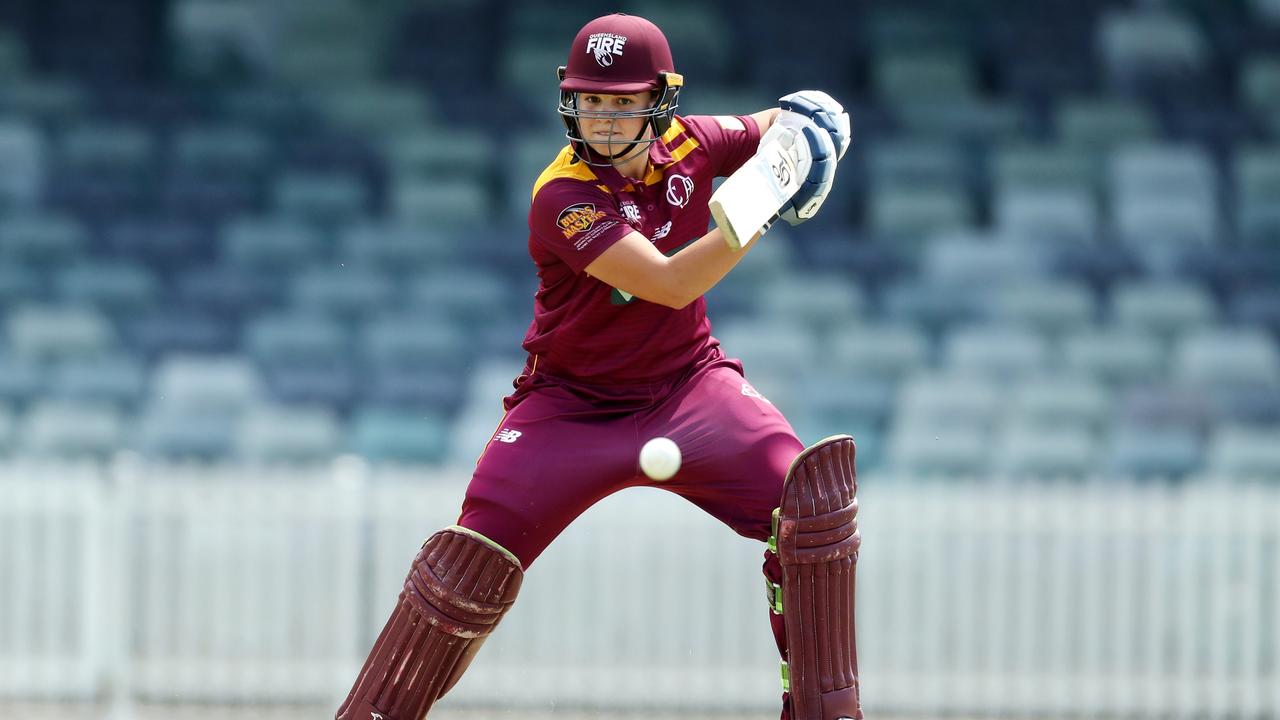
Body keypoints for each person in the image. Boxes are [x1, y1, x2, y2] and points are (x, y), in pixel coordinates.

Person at [336, 13, 860, 720]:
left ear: (660, 101)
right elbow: (671, 282)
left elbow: (773, 125)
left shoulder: (691, 142)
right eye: (592, 102)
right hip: (569, 408)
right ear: (568, 101)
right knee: (464, 566)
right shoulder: (562, 195)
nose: (606, 121)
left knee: (809, 509)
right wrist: (762, 202)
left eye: (623, 103)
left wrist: (814, 122)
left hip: (688, 389)